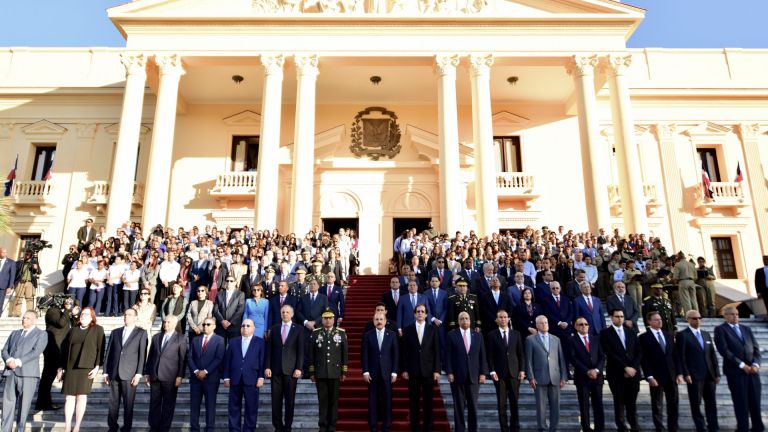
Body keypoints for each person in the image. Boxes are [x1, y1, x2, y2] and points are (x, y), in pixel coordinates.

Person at [714, 305, 764, 432]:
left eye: (737, 314)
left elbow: (756, 349)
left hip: (753, 373)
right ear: (725, 316)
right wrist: (742, 365)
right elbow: (724, 350)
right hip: (736, 372)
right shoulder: (720, 329)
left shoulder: (746, 329)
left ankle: (758, 427)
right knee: (741, 402)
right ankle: (743, 428)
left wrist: (756, 364)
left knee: (755, 401)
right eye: (732, 314)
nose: (735, 316)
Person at [57, 307, 105, 432]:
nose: (83, 316)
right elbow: (64, 349)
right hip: (70, 367)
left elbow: (100, 349)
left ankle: (77, 425)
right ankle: (67, 426)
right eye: (82, 314)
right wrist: (61, 367)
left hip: (86, 367)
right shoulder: (73, 330)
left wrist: (96, 367)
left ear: (92, 317)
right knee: (69, 397)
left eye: (86, 314)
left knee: (81, 397)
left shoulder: (98, 330)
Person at [1, 310, 47, 432]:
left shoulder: (41, 334)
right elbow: (4, 350)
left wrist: (18, 361)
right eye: (23, 318)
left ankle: (20, 429)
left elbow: (36, 351)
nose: (24, 320)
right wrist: (9, 360)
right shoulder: (15, 333)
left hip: (28, 374)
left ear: (34, 320)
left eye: (27, 318)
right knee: (7, 405)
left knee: (24, 406)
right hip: (11, 373)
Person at [104, 308, 148, 432]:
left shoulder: (141, 333)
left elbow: (142, 354)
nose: (126, 316)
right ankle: (112, 427)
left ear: (135, 317)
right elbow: (109, 353)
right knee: (113, 403)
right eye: (125, 314)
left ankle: (127, 427)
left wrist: (139, 374)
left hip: (130, 374)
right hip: (114, 372)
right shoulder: (115, 332)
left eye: (129, 315)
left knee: (128, 404)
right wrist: (106, 372)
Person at [143, 315, 188, 432]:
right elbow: (151, 356)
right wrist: (147, 373)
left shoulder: (181, 338)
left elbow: (183, 359)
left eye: (168, 322)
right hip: (155, 375)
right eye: (164, 322)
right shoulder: (157, 337)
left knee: (168, 405)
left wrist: (180, 375)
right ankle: (153, 427)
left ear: (174, 324)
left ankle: (164, 428)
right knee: (154, 404)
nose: (165, 324)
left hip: (171, 377)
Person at [639, 311, 682, 432]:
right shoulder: (644, 337)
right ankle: (660, 428)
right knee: (657, 405)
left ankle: (673, 428)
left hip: (671, 375)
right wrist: (649, 376)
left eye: (660, 319)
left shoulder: (668, 335)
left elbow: (675, 356)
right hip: (656, 376)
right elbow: (644, 359)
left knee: (673, 404)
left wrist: (679, 373)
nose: (660, 321)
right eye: (656, 319)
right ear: (649, 322)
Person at [677, 310, 719, 432]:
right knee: (696, 403)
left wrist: (716, 373)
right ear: (688, 319)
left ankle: (713, 426)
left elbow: (712, 355)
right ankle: (701, 427)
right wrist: (686, 373)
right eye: (694, 318)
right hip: (694, 376)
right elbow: (681, 356)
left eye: (699, 318)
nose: (697, 320)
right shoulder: (683, 335)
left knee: (711, 403)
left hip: (709, 375)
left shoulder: (706, 334)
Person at [445, 311, 487, 432]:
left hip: (474, 377)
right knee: (459, 407)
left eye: (467, 318)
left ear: (470, 320)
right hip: (457, 376)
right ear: (458, 321)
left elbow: (482, 355)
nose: (464, 321)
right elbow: (448, 356)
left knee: (473, 407)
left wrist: (483, 373)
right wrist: (449, 372)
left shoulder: (478, 335)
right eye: (462, 319)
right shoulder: (451, 335)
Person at [401, 303, 441, 432]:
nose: (420, 313)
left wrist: (437, 370)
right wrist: (405, 369)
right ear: (414, 314)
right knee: (414, 402)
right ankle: (415, 427)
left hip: (428, 371)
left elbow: (436, 351)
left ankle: (428, 427)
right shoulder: (407, 329)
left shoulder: (433, 329)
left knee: (428, 402)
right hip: (412, 371)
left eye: (422, 311)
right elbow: (404, 352)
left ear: (426, 314)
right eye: (417, 311)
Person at [600, 308, 641, 432]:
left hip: (633, 373)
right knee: (619, 402)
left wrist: (633, 368)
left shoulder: (631, 332)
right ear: (611, 318)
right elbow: (609, 353)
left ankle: (634, 426)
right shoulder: (605, 333)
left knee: (632, 402)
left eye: (622, 316)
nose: (620, 319)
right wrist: (625, 367)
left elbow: (639, 352)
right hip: (616, 373)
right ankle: (621, 427)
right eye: (617, 316)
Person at [525, 315, 568, 432]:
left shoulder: (556, 339)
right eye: (542, 323)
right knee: (541, 406)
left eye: (546, 322)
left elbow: (561, 359)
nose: (545, 325)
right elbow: (528, 360)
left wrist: (564, 376)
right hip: (539, 377)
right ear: (537, 325)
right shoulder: (530, 339)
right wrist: (531, 377)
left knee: (556, 406)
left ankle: (554, 428)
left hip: (555, 377)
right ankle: (542, 428)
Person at [265, 305, 304, 432]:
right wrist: (267, 366)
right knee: (275, 401)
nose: (285, 314)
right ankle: (278, 427)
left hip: (291, 371)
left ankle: (288, 427)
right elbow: (269, 350)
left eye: (287, 312)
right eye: (283, 312)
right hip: (275, 370)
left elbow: (301, 351)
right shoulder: (274, 329)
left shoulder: (298, 329)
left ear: (292, 314)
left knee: (289, 401)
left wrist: (299, 368)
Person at [309, 308, 348, 432]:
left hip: (335, 372)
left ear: (334, 319)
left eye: (330, 318)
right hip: (320, 372)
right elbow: (311, 354)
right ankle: (322, 426)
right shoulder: (316, 333)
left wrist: (344, 371)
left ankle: (332, 426)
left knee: (333, 402)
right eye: (325, 318)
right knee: (323, 401)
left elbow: (344, 354)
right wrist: (312, 371)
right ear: (322, 319)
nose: (328, 320)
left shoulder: (341, 333)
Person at [223, 318, 265, 432]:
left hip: (252, 379)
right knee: (233, 407)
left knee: (251, 408)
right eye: (243, 326)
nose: (245, 328)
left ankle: (249, 429)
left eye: (248, 326)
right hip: (235, 379)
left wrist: (261, 376)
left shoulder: (260, 342)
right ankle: (234, 429)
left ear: (253, 328)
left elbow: (262, 361)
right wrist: (226, 377)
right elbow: (227, 361)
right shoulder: (233, 341)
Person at [486, 310, 525, 432]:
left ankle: (515, 428)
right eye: (500, 317)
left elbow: (521, 354)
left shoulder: (516, 334)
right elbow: (490, 356)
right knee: (501, 404)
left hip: (514, 373)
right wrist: (491, 371)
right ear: (496, 320)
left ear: (508, 319)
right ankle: (504, 429)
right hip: (499, 374)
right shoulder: (492, 335)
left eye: (505, 317)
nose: (503, 319)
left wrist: (522, 370)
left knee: (514, 403)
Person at [36, 296, 75, 411]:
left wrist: (71, 312)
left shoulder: (59, 312)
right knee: (47, 377)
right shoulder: (52, 311)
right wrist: (67, 310)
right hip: (53, 349)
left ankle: (43, 403)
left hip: (58, 348)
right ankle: (43, 403)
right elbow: (61, 323)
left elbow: (68, 324)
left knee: (48, 377)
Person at [362, 312, 399, 432]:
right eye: (376, 319)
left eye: (381, 319)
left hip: (387, 373)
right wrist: (365, 371)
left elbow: (395, 354)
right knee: (372, 400)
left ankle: (386, 426)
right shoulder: (368, 335)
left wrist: (394, 372)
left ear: (385, 321)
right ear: (373, 321)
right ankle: (372, 426)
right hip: (372, 373)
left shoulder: (392, 335)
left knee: (387, 400)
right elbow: (364, 354)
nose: (379, 321)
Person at [188, 318, 225, 432]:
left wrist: (206, 371)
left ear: (214, 326)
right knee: (194, 405)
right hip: (195, 378)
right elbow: (190, 357)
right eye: (204, 324)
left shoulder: (220, 340)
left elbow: (219, 358)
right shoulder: (195, 340)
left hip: (211, 378)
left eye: (208, 324)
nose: (205, 326)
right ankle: (194, 428)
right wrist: (196, 371)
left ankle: (209, 428)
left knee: (210, 405)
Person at [570, 316, 605, 432]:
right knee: (584, 405)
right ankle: (586, 428)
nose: (584, 326)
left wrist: (597, 370)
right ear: (575, 327)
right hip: (582, 378)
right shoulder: (572, 340)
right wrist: (587, 371)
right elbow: (573, 359)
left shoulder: (596, 339)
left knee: (598, 405)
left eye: (586, 324)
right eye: (580, 324)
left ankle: (600, 428)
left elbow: (602, 357)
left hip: (597, 377)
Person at [213, 276, 245, 343]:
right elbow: (216, 310)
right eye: (227, 281)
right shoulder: (219, 294)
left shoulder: (240, 294)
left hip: (234, 326)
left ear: (235, 283)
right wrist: (222, 321)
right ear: (225, 282)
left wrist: (230, 322)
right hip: (221, 327)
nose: (229, 282)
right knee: (220, 350)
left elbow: (240, 310)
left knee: (233, 349)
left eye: (231, 281)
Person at [0, 248, 16, 313]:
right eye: (3, 252)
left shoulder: (11, 262)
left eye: (5, 252)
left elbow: (12, 276)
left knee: (0, 302)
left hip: (3, 286)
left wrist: (9, 287)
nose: (5, 254)